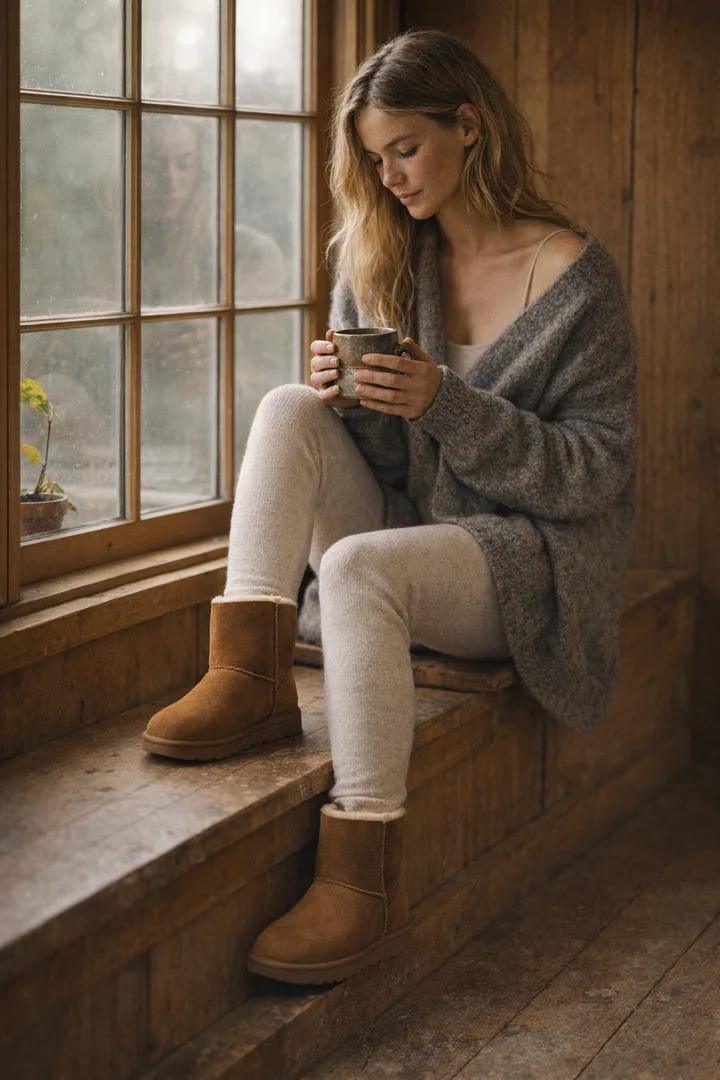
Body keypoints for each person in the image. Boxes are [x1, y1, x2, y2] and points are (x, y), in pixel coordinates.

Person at [141, 30, 636, 986]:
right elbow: (391, 465)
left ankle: (361, 876)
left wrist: (446, 402)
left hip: (525, 563)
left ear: (469, 125)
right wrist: (345, 394)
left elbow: (596, 471)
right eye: (374, 158)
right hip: (418, 529)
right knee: (287, 405)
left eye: (405, 148)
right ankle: (250, 681)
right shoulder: (379, 255)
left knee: (363, 566)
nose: (391, 176)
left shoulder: (577, 281)